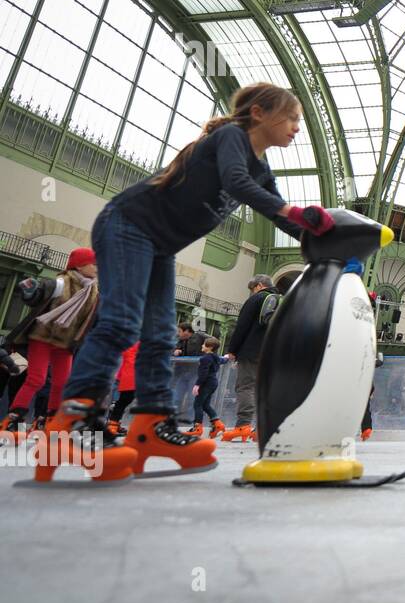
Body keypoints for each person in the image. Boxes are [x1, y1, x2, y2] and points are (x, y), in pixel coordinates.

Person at [40, 83, 334, 483]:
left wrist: (325, 241)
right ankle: (71, 424)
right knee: (122, 322)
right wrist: (296, 212)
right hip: (127, 224)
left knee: (161, 335)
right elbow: (235, 182)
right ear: (261, 113)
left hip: (159, 244)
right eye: (293, 117)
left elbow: (280, 217)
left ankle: (151, 427)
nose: (298, 127)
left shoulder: (263, 170)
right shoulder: (230, 137)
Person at [1, 247, 99, 435]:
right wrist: (30, 292)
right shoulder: (60, 284)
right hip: (43, 338)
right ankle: (14, 417)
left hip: (65, 343)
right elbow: (37, 296)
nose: (98, 268)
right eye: (94, 264)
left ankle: (51, 420)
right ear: (79, 265)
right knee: (36, 379)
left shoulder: (93, 292)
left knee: (62, 383)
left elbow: (92, 320)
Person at [223, 274, 276, 442]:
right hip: (272, 352)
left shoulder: (257, 299)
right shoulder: (281, 300)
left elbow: (242, 325)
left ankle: (242, 425)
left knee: (246, 386)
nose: (252, 292)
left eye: (252, 289)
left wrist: (233, 349)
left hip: (252, 351)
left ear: (259, 286)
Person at [188, 337, 226, 436]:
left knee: (198, 404)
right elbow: (223, 360)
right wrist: (226, 357)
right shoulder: (216, 357)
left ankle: (197, 427)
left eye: (204, 344)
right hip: (213, 383)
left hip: (206, 383)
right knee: (205, 405)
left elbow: (203, 374)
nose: (202, 346)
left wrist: (197, 385)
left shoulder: (205, 358)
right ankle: (218, 424)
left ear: (210, 347)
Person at [105, 342, 139, 437]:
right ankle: (112, 424)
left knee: (123, 401)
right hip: (130, 375)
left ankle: (114, 423)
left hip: (128, 374)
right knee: (122, 401)